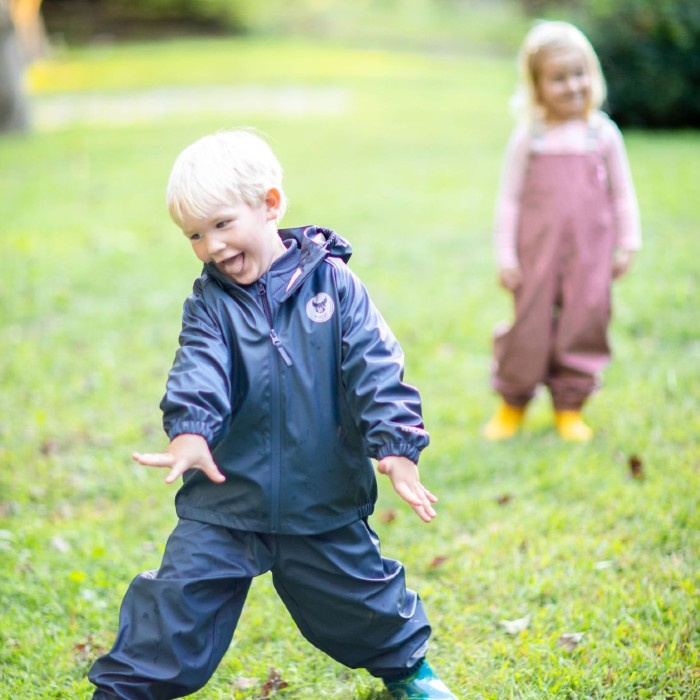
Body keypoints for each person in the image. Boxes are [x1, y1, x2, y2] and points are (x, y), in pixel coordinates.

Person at [88, 129, 457, 699]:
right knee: (174, 606)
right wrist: (190, 431)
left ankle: (408, 673)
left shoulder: (336, 287)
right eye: (194, 234)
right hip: (225, 497)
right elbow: (198, 369)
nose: (211, 246)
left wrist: (397, 449)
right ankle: (123, 692)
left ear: (271, 205)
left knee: (362, 601)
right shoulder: (209, 303)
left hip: (320, 496)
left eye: (222, 224)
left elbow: (377, 370)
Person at [483, 20, 641, 442]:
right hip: (536, 252)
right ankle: (512, 402)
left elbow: (623, 194)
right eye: (558, 78)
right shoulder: (530, 138)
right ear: (537, 86)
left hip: (591, 253)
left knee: (585, 321)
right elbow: (510, 199)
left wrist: (628, 243)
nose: (573, 85)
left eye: (580, 74)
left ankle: (570, 407)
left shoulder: (602, 134)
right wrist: (506, 255)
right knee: (529, 323)